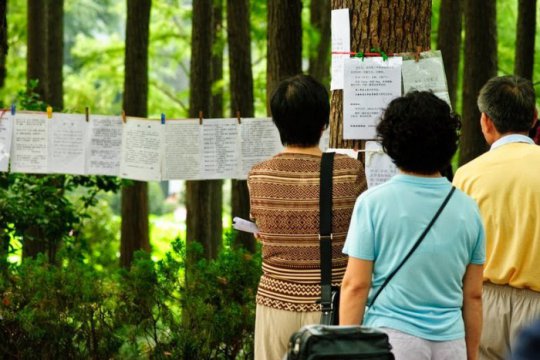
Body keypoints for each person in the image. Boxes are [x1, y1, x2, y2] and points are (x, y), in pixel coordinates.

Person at [340, 91, 485, 360]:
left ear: (392, 142)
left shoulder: (372, 204)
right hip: (451, 342)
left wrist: (345, 349)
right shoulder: (468, 209)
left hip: (392, 340)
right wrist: (471, 354)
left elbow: (356, 286)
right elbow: (473, 295)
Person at [247, 74, 367, 360]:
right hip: (335, 307)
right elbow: (363, 234)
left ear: (277, 123)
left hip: (275, 305)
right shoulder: (349, 172)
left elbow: (261, 230)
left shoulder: (258, 175)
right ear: (324, 122)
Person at [452, 75, 540, 360]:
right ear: (534, 117)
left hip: (484, 302)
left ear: (485, 121)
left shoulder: (468, 175)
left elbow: (456, 250)